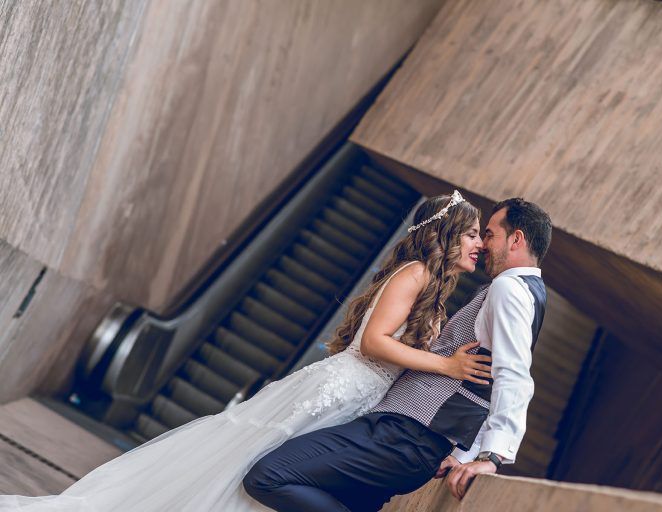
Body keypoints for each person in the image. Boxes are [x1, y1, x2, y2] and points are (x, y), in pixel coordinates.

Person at [0, 191, 489, 511]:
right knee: (255, 465)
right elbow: (374, 342)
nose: (477, 245)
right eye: (471, 234)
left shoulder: (430, 287)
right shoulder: (415, 274)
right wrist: (446, 363)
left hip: (358, 397)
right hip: (344, 391)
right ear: (445, 235)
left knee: (268, 467)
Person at [243, 197, 552, 512]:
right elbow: (488, 381)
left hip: (405, 437)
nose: (483, 244)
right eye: (475, 234)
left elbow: (511, 376)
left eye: (488, 234)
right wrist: (463, 455)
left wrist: (491, 455)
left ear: (516, 239)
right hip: (401, 433)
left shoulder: (508, 290)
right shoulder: (521, 292)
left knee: (267, 475)